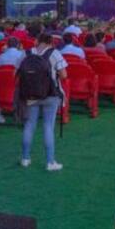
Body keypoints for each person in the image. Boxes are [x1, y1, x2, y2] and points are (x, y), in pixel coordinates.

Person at [18, 31, 68, 171]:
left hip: (30, 94)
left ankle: (25, 158)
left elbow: (16, 72)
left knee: (29, 125)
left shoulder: (26, 53)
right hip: (50, 94)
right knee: (48, 126)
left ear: (37, 41)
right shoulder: (55, 53)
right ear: (51, 42)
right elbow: (64, 75)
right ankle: (50, 162)